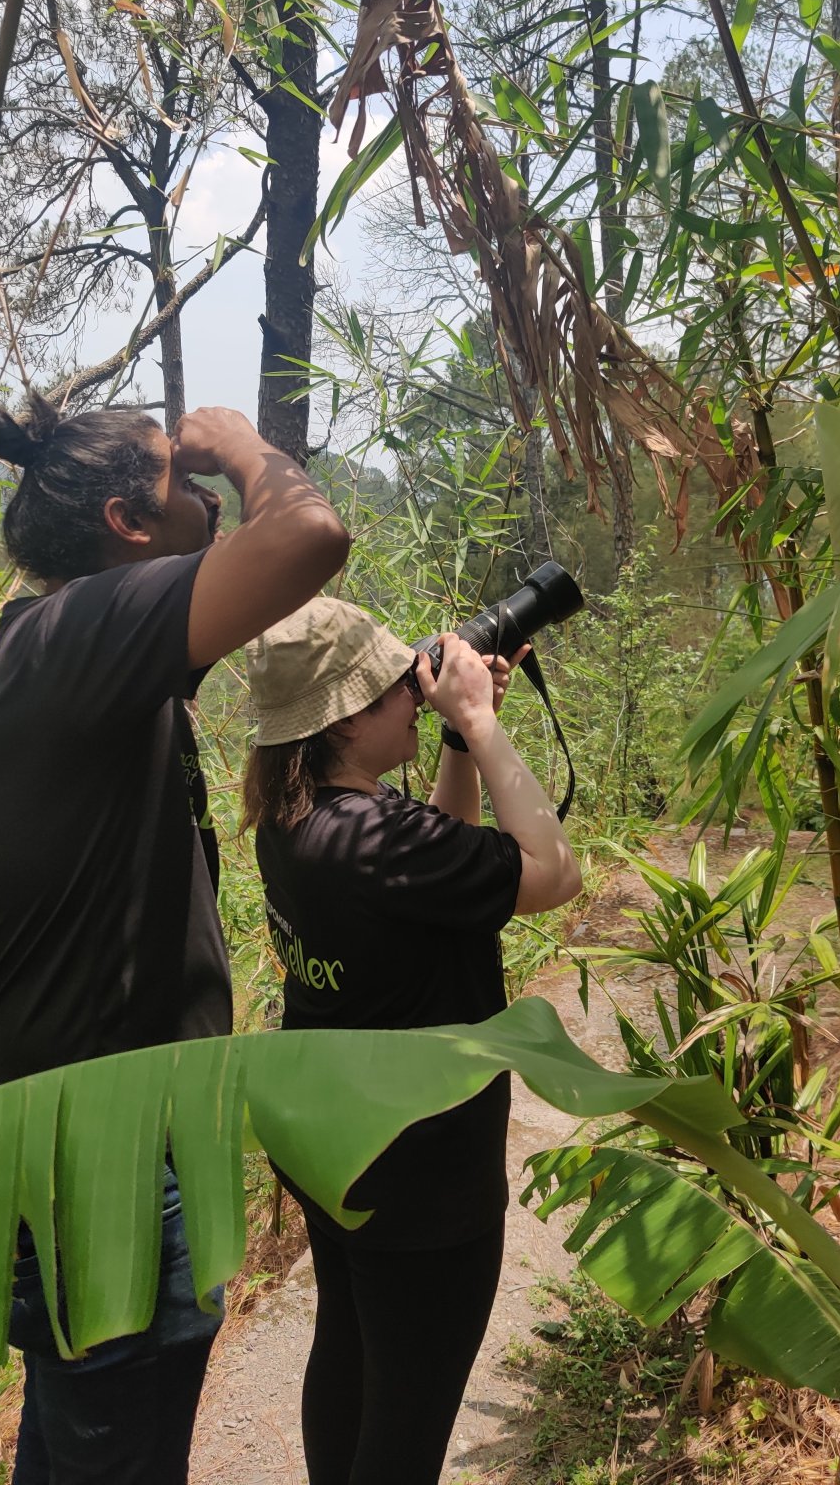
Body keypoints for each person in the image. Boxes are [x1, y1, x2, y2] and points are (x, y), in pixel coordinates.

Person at [0, 393, 349, 1485]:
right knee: (111, 1449)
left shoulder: (37, 657)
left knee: (84, 1441)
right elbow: (310, 537)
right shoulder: (83, 640)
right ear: (127, 523)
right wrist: (247, 447)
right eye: (180, 478)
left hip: (72, 1145)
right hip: (105, 1162)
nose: (206, 491)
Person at [241, 597, 582, 1485]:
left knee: (350, 1349)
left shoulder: (302, 817)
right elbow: (553, 873)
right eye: (399, 685)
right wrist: (475, 715)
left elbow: (440, 847)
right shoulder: (374, 838)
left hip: (338, 1142)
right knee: (409, 1412)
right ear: (346, 717)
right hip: (420, 1170)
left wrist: (463, 743)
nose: (415, 693)